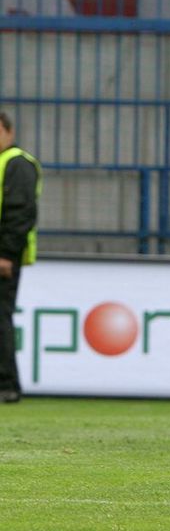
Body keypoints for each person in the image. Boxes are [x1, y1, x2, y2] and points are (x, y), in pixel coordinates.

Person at [0, 111, 41, 404]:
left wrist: (6, 254)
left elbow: (20, 212)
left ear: (9, 132)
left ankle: (7, 385)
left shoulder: (17, 162)